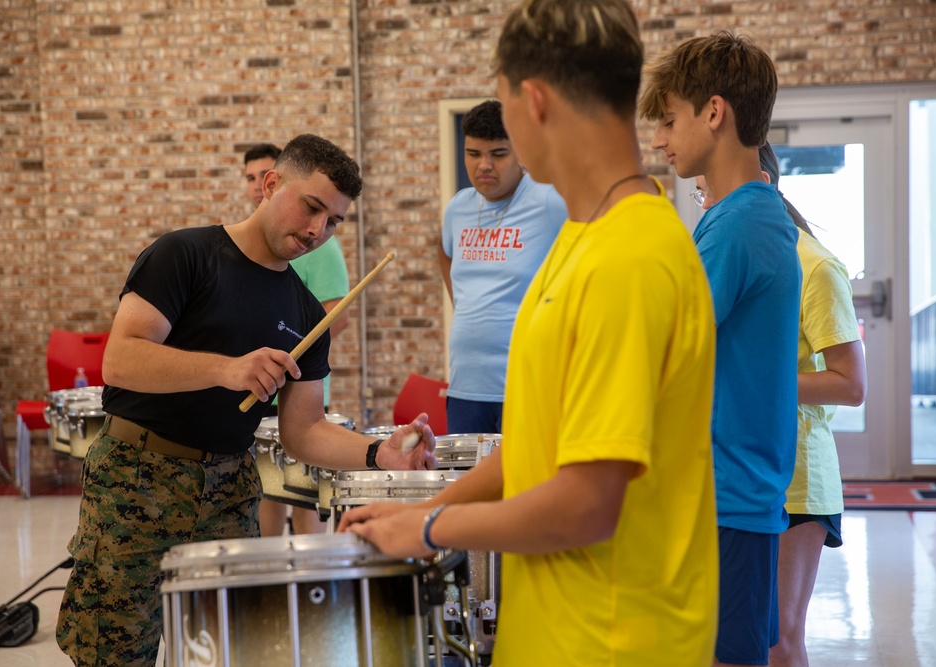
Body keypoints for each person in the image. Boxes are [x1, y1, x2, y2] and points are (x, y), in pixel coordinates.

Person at [341, 1, 720, 665]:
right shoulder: (580, 236)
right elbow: (536, 448)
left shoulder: (630, 256)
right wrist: (430, 501)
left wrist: (430, 528)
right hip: (557, 633)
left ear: (533, 101)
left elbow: (585, 505)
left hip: (611, 640)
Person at [55, 133, 438, 667]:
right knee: (115, 654)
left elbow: (305, 430)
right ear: (269, 184)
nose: (316, 231)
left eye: (333, 223)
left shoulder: (308, 313)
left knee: (228, 648)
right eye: (311, 208)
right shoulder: (185, 254)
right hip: (136, 479)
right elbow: (121, 360)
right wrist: (228, 369)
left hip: (230, 490)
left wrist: (380, 455)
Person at [641, 31, 803, 667]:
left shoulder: (740, 224)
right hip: (727, 493)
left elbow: (662, 348)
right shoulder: (739, 215)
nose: (659, 139)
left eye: (669, 120)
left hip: (726, 495)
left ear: (714, 112)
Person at [759, 144, 867, 667]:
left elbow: (851, 384)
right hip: (745, 465)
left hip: (799, 478)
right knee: (737, 631)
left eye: (707, 189)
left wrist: (756, 377)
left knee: (780, 635)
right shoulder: (740, 252)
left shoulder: (815, 266)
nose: (705, 202)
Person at [438, 99, 566, 434]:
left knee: (525, 487)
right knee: (469, 483)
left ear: (520, 151)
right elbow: (443, 250)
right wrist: (468, 308)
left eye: (498, 154)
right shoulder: (458, 208)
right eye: (473, 153)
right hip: (465, 384)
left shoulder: (550, 201)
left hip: (527, 387)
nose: (483, 165)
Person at [243, 143, 352, 538]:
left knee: (303, 493)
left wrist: (289, 355)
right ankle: (268, 569)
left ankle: (309, 586)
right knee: (266, 491)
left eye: (330, 219)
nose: (256, 185)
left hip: (294, 391)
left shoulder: (315, 242)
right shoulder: (251, 245)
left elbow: (334, 315)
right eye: (250, 178)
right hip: (252, 390)